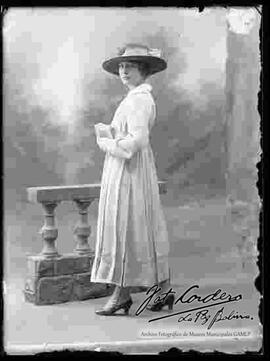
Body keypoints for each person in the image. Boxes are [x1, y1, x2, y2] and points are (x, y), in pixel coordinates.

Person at [90, 43, 174, 315]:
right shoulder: (134, 98)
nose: (123, 71)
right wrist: (112, 131)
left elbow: (136, 140)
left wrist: (106, 142)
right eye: (122, 67)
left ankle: (121, 296)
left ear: (144, 70)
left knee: (128, 228)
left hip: (131, 169)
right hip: (127, 169)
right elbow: (127, 132)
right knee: (140, 228)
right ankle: (162, 292)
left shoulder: (139, 99)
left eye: (130, 67)